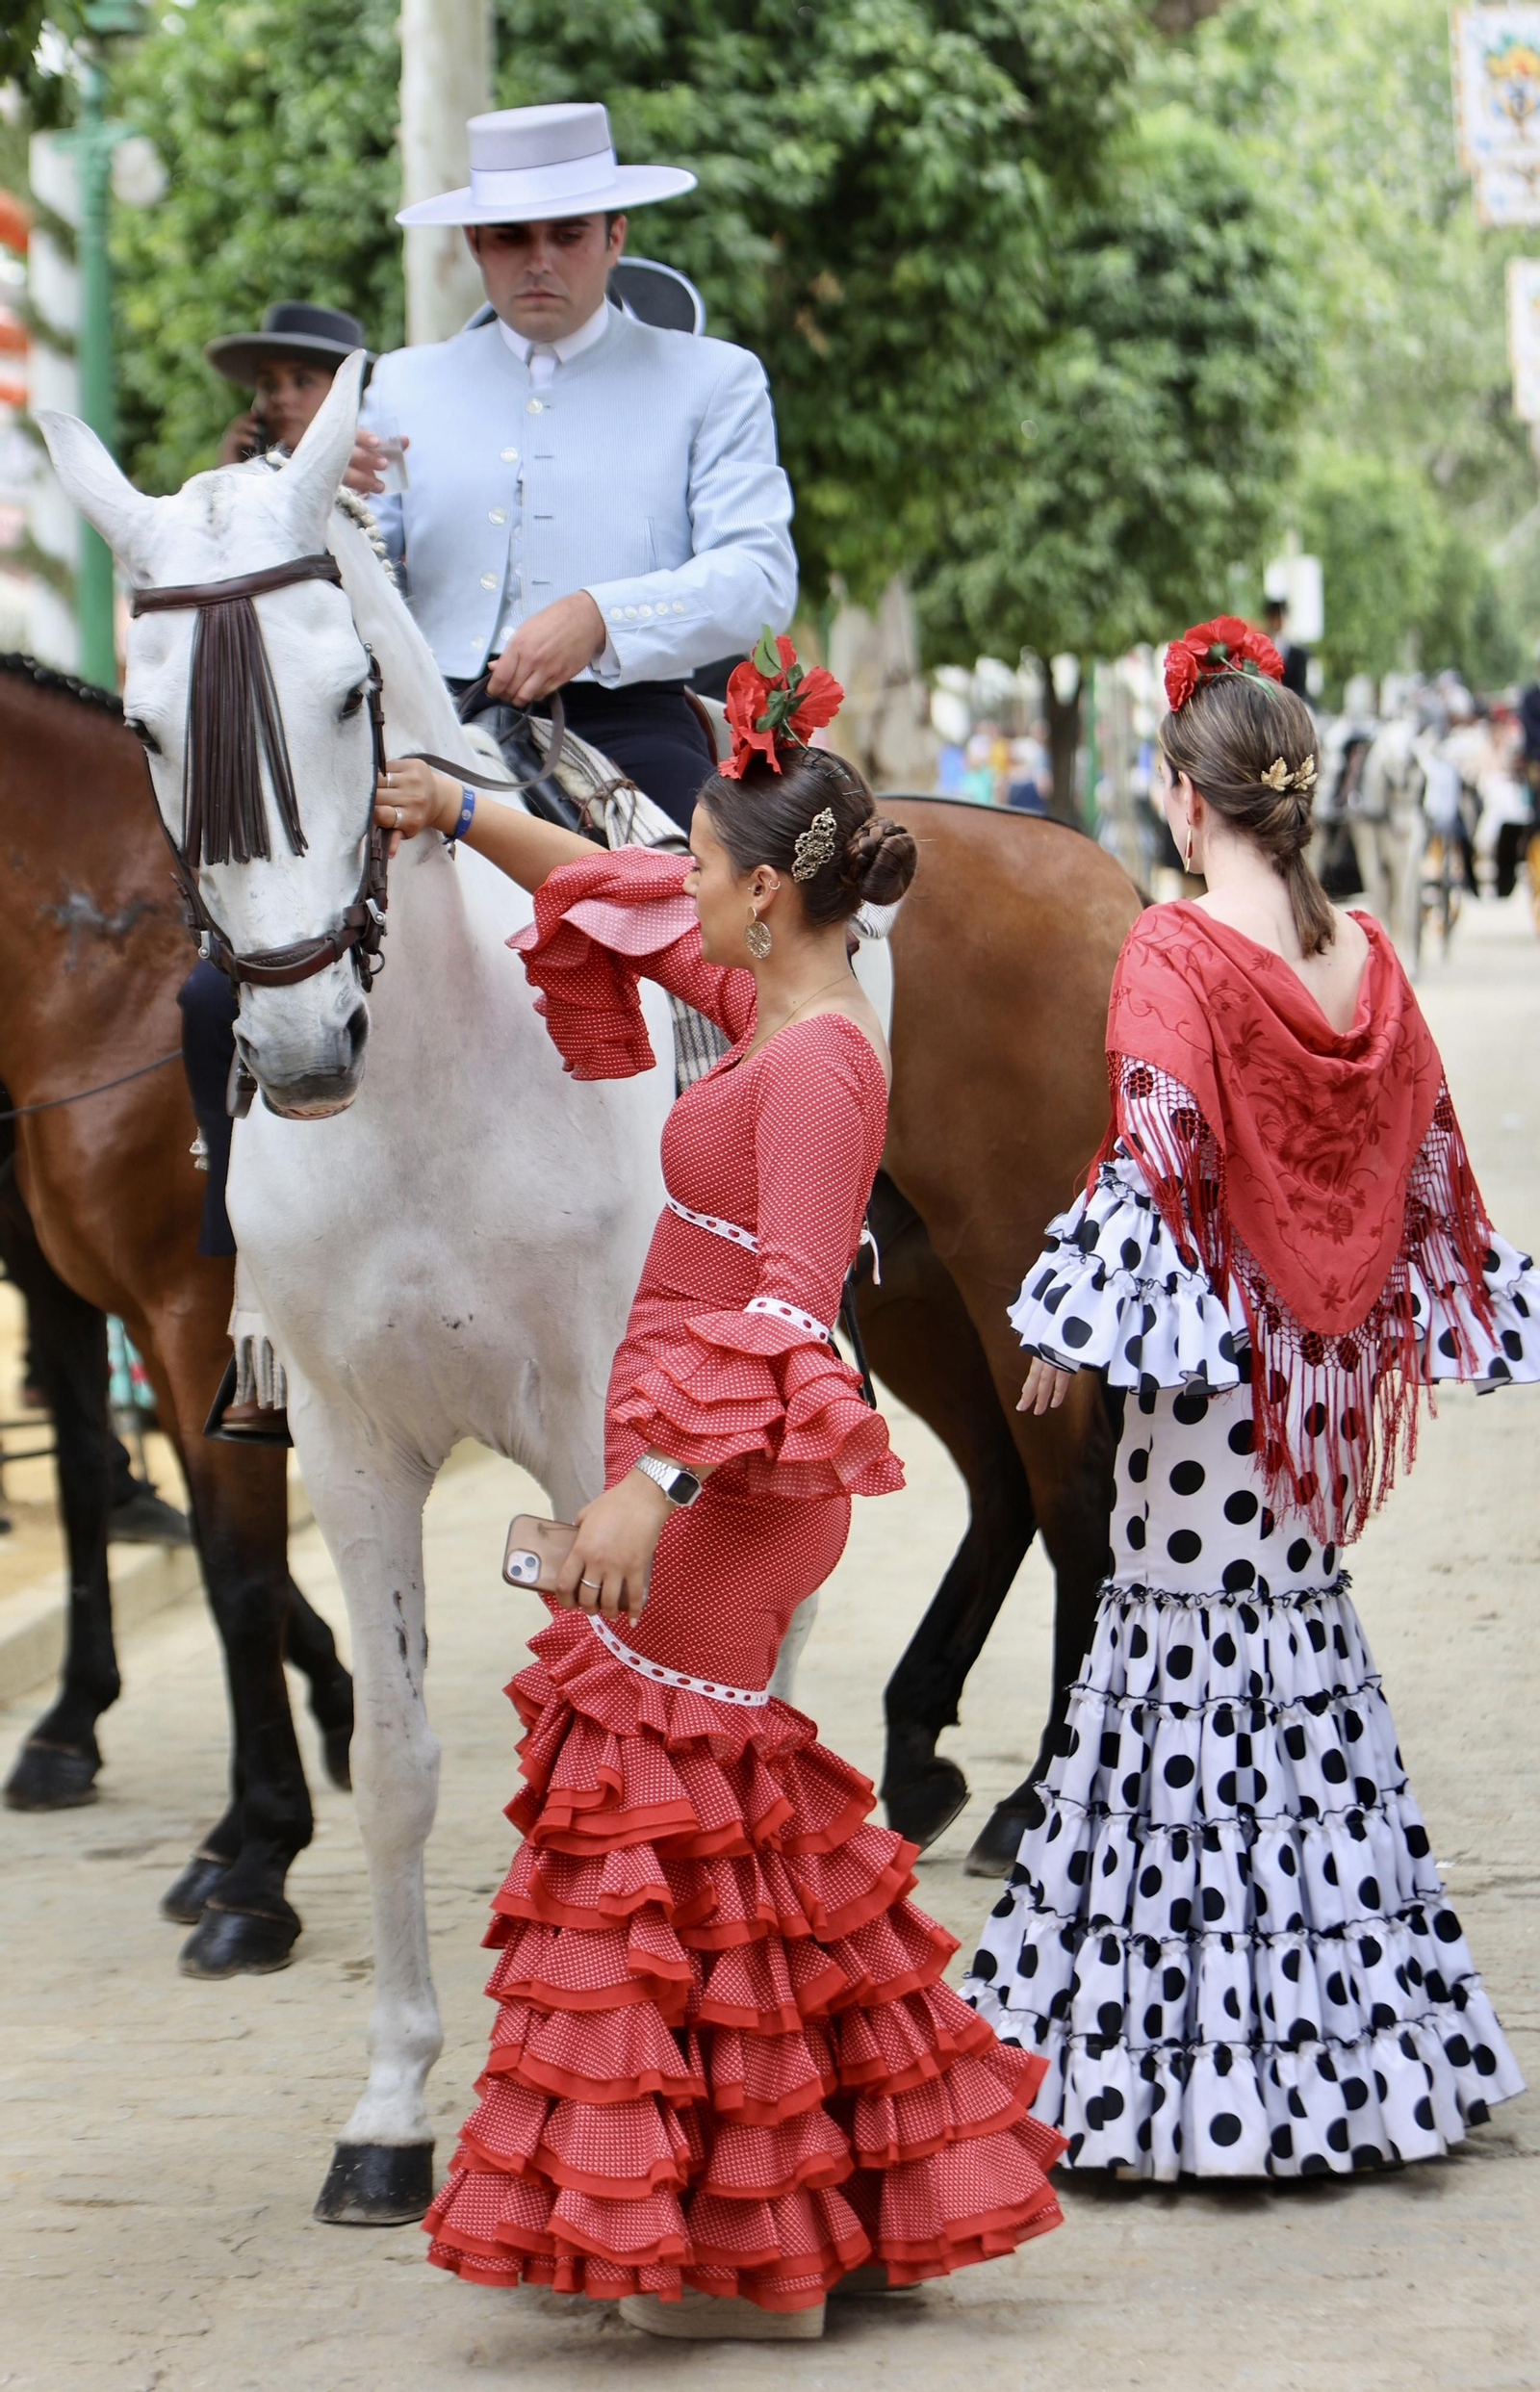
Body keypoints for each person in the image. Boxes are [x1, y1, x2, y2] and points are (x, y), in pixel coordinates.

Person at [371, 636, 1065, 2334]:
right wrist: (463, 813)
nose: (679, 876)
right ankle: (798, 2199)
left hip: (730, 1486)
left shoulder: (825, 1068)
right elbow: (606, 882)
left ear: (765, 893)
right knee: (724, 1836)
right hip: (686, 1465)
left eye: (703, 857)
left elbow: (790, 1308)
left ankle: (745, 2253)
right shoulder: (769, 999)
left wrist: (648, 1495)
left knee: (668, 1827)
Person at [962, 615, 1537, 2182]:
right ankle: (1349, 2060)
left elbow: (1158, 1152)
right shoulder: (1366, 956)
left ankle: (1176, 2075)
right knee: (1296, 1672)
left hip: (1204, 1388)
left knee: (1173, 1677)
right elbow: (1424, 1159)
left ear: (1186, 795)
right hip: (1307, 1377)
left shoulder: (1175, 950)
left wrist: (1075, 1320)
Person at [354, 101, 797, 829]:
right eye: (510, 236)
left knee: (707, 917)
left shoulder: (714, 378)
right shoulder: (401, 383)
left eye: (569, 235)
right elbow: (367, 584)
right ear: (473, 241)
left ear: (615, 235)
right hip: (418, 723)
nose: (539, 261)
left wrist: (602, 617)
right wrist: (325, 509)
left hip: (625, 728)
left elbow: (761, 578)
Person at [185, 299, 373, 1438]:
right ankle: (247, 1279)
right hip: (300, 790)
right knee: (210, 991)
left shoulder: (391, 474)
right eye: (271, 382)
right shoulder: (227, 503)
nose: (283, 398)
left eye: (307, 378)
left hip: (447, 725)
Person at [206, 300, 374, 467]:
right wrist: (229, 470)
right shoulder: (252, 485)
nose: (281, 398)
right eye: (268, 385)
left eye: (303, 381)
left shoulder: (383, 486)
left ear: (347, 394)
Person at [1263, 597, 1311, 701]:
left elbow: (1300, 689)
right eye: (1273, 617)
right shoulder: (1261, 647)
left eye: (1279, 617)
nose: (1277, 621)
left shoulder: (1298, 653)